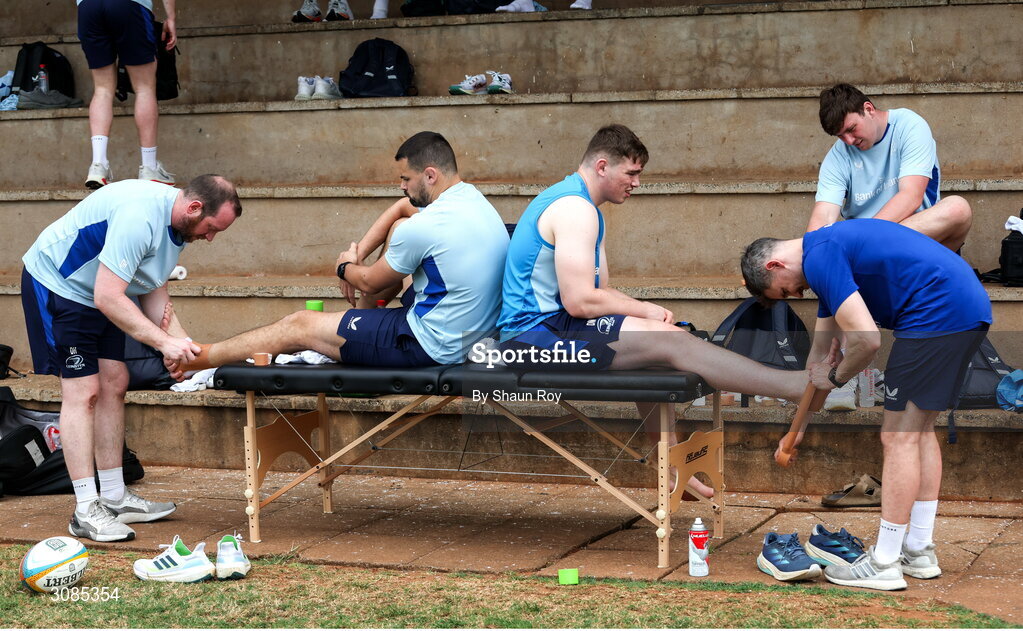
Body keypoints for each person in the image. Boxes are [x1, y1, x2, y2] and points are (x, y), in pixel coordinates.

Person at [497, 124, 810, 499]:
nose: (638, 182)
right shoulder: (575, 209)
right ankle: (792, 387)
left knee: (660, 344)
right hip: (529, 339)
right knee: (671, 343)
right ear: (601, 166)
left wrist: (641, 313)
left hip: (553, 328)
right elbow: (580, 300)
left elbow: (598, 292)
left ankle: (673, 468)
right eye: (631, 173)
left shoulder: (583, 206)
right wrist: (643, 308)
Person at [740, 219, 992, 590]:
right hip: (966, 309)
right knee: (919, 432)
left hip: (935, 315)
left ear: (773, 266)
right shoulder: (824, 253)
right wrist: (796, 432)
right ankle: (919, 551)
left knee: (898, 438)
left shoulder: (820, 258)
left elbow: (867, 341)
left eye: (785, 292)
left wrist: (839, 377)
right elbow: (818, 361)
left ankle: (885, 561)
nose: (794, 295)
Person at [169, 131, 509, 374]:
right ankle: (351, 329)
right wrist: (361, 250)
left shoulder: (426, 227)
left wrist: (346, 266)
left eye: (406, 178)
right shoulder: (472, 200)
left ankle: (204, 357)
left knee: (300, 325)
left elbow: (372, 282)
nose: (401, 186)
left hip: (433, 346)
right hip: (472, 333)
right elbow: (402, 208)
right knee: (398, 231)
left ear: (430, 175)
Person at [21, 175, 242, 542]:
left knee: (115, 381)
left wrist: (182, 349)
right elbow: (109, 298)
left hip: (98, 290)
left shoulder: (178, 222)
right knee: (84, 391)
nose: (210, 238)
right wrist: (163, 344)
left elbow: (153, 287)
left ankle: (113, 496)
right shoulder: (140, 217)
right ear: (194, 208)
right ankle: (85, 510)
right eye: (210, 228)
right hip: (58, 284)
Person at [807, 84, 971, 252]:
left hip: (912, 236)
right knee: (807, 249)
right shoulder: (837, 157)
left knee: (957, 209)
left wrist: (866, 239)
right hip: (867, 249)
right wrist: (813, 250)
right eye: (841, 136)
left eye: (851, 129)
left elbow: (911, 196)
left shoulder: (909, 126)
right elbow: (824, 215)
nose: (849, 141)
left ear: (869, 109)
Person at [78, 0, 178, 189]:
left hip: (88, 7)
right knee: (144, 88)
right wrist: (171, 17)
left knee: (102, 88)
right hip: (129, 5)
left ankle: (98, 166)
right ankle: (149, 167)